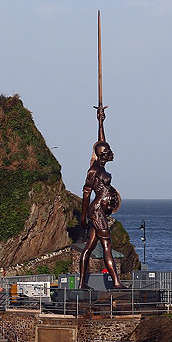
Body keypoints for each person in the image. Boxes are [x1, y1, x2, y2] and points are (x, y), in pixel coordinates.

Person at [78, 107, 125, 290]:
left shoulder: (102, 166)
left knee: (89, 248)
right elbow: (86, 194)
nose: (111, 152)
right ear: (102, 154)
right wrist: (83, 217)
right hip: (97, 212)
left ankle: (82, 284)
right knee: (107, 245)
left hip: (100, 212)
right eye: (108, 151)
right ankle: (116, 282)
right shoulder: (93, 171)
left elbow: (101, 141)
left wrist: (100, 121)